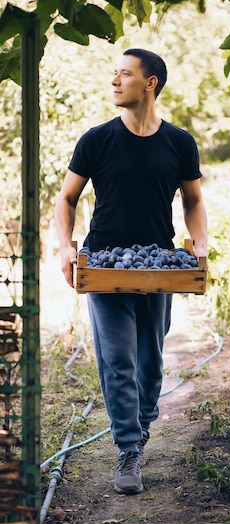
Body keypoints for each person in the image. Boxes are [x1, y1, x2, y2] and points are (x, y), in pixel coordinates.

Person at [54, 48, 208, 495]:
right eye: (114, 74)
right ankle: (127, 450)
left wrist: (199, 244)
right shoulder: (97, 140)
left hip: (159, 266)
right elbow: (66, 199)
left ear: (151, 83)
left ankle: (139, 428)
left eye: (125, 74)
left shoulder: (179, 143)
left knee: (150, 361)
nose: (115, 81)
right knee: (117, 359)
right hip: (103, 264)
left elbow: (193, 200)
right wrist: (66, 247)